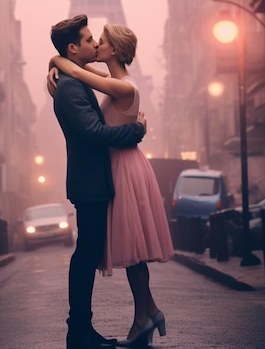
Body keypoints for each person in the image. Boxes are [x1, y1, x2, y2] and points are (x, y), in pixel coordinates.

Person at [48, 23, 174, 348]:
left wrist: (59, 61)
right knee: (133, 248)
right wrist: (57, 61)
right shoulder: (104, 82)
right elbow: (83, 72)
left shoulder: (123, 87)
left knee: (134, 247)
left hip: (125, 169)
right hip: (113, 168)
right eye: (91, 40)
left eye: (99, 40)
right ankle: (147, 314)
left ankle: (144, 317)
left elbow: (83, 73)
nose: (96, 43)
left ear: (113, 50)